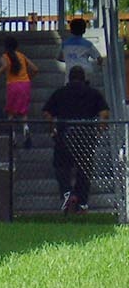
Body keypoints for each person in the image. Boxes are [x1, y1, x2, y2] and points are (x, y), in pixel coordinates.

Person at [42, 65, 110, 215]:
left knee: (61, 167)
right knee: (84, 169)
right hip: (85, 135)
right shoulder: (93, 93)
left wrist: (51, 128)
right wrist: (100, 129)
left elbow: (47, 113)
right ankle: (82, 203)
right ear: (84, 78)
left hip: (64, 135)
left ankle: (67, 192)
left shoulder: (60, 93)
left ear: (69, 77)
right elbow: (104, 112)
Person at [0, 36, 39, 148]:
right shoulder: (22, 56)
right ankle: (26, 129)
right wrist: (28, 78)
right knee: (23, 111)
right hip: (25, 84)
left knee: (11, 112)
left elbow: (5, 66)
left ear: (5, 46)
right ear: (17, 46)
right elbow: (35, 69)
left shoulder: (5, 57)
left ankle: (13, 137)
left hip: (13, 85)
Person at [58, 18, 103, 83]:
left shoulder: (64, 44)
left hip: (70, 71)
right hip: (85, 71)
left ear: (71, 30)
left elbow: (59, 57)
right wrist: (99, 64)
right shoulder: (88, 44)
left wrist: (69, 58)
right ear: (84, 30)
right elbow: (99, 59)